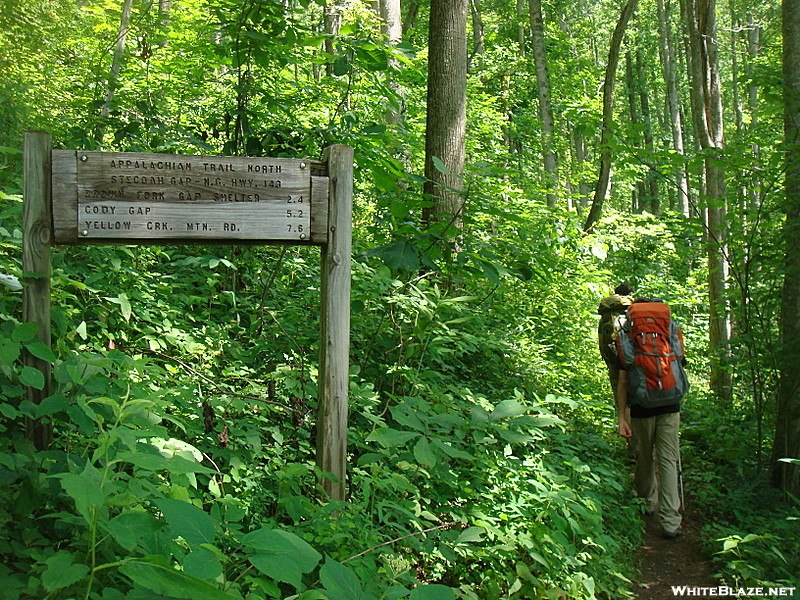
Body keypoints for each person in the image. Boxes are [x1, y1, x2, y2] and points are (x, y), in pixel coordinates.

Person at [616, 297, 683, 539]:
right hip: (670, 403)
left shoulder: (627, 334)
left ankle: (647, 500)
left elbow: (624, 382)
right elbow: (679, 363)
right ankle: (671, 522)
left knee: (644, 455)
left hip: (642, 406)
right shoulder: (670, 329)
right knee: (668, 460)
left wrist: (622, 415)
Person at [597, 283, 633, 406]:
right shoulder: (632, 311)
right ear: (630, 295)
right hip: (632, 357)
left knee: (618, 388)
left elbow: (601, 338)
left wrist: (607, 357)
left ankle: (621, 420)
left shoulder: (606, 314)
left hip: (612, 354)